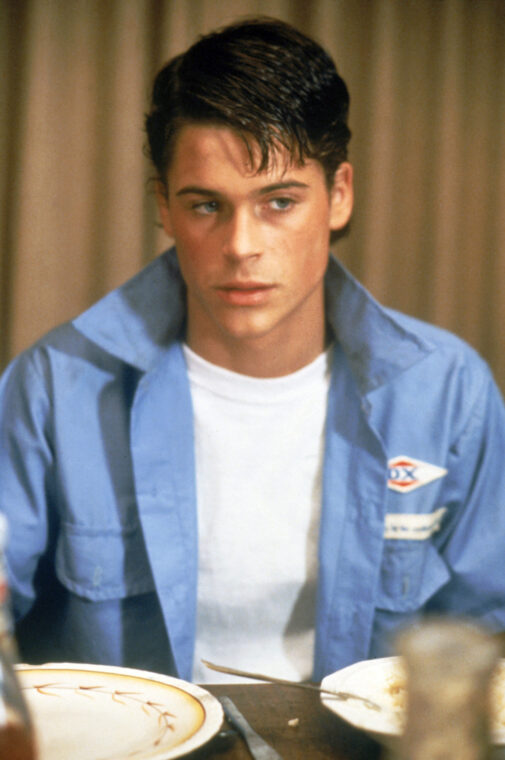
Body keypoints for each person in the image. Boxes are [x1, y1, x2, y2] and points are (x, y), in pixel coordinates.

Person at [1, 17, 505, 685]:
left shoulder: (446, 392)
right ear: (164, 207)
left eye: (278, 201)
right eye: (207, 205)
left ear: (339, 196)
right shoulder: (55, 383)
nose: (241, 245)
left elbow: (483, 643)